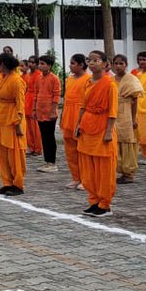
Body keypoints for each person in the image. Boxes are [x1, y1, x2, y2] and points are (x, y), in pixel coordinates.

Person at [74, 50, 118, 217]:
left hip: (102, 127)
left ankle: (105, 204)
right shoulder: (88, 82)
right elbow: (83, 106)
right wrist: (78, 124)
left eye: (95, 60)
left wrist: (108, 132)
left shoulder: (110, 84)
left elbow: (113, 111)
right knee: (88, 168)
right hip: (87, 126)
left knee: (103, 168)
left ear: (105, 64)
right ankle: (93, 200)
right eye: (89, 60)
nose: (92, 63)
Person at [0, 52, 26, 195]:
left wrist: (18, 122)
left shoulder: (17, 80)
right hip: (1, 117)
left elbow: (20, 103)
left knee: (14, 153)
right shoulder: (3, 78)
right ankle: (7, 182)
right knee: (3, 152)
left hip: (12, 119)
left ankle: (17, 185)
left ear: (3, 65)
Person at [112, 54, 144, 185]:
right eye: (116, 63)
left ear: (126, 65)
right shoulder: (111, 79)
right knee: (116, 140)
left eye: (121, 63)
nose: (118, 66)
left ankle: (129, 173)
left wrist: (133, 118)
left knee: (127, 141)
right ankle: (118, 169)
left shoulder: (131, 79)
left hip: (126, 111)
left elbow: (135, 100)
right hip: (114, 112)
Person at [60, 54, 90, 190]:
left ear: (81, 65)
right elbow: (66, 99)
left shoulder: (88, 79)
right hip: (68, 115)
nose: (70, 66)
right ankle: (75, 177)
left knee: (82, 150)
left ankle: (86, 179)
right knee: (70, 150)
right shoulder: (69, 79)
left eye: (73, 63)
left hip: (80, 115)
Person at [34, 54, 61, 171]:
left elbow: (56, 95)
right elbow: (36, 94)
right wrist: (34, 109)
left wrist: (52, 111)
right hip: (40, 111)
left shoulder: (54, 78)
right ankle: (47, 161)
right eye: (39, 63)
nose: (40, 66)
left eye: (43, 64)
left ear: (49, 66)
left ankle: (52, 163)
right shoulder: (39, 78)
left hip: (50, 112)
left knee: (50, 137)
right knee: (44, 137)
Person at [24, 57, 43, 155]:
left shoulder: (39, 75)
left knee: (35, 125)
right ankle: (31, 146)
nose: (30, 64)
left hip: (34, 98)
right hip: (27, 97)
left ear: (36, 64)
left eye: (33, 62)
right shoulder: (28, 74)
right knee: (28, 125)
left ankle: (38, 148)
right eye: (29, 62)